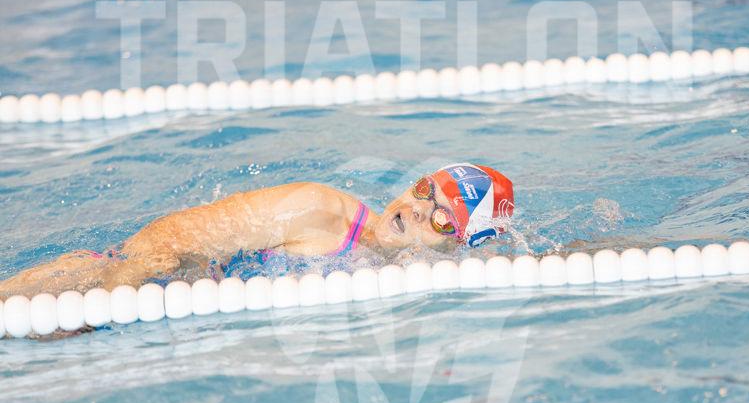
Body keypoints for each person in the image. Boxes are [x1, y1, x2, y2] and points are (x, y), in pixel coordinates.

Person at [0, 163, 514, 299]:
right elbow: (166, 238)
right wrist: (116, 295)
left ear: (457, 245)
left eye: (443, 218)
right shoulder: (317, 208)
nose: (419, 209)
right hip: (111, 283)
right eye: (425, 189)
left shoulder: (410, 275)